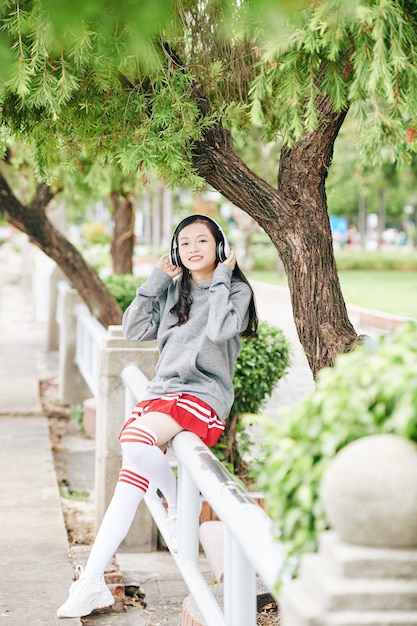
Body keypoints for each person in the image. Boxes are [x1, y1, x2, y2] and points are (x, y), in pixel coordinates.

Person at [57, 213, 258, 619]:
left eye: (202, 241)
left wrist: (222, 278)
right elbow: (132, 330)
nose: (192, 249)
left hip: (202, 394)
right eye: (184, 243)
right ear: (176, 251)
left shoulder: (234, 292)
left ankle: (179, 500)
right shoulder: (173, 291)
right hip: (164, 393)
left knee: (133, 442)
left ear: (219, 248)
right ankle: (92, 581)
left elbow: (220, 331)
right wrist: (154, 282)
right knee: (128, 484)